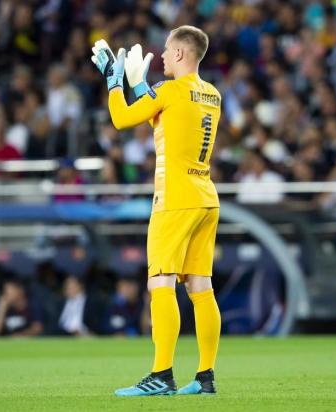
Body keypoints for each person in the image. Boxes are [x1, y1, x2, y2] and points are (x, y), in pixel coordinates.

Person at [91, 25, 221, 396]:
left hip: (175, 199)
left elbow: (121, 119)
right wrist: (141, 86)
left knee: (160, 282)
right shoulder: (211, 94)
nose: (161, 55)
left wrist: (115, 82)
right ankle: (205, 377)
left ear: (181, 53)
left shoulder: (170, 90)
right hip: (205, 197)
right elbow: (164, 119)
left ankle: (161, 375)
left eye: (167, 49)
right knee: (201, 287)